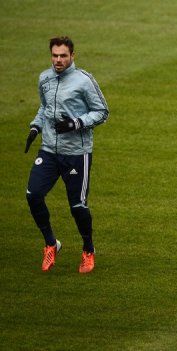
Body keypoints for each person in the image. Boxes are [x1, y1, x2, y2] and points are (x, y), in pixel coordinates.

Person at [24, 36, 109, 273]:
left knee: (77, 206)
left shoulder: (84, 81)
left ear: (72, 55)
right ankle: (51, 243)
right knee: (33, 194)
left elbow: (102, 112)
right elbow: (45, 108)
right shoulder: (45, 78)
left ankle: (88, 250)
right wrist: (35, 126)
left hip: (76, 153)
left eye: (63, 55)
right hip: (49, 150)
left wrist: (76, 123)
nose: (58, 60)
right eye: (54, 55)